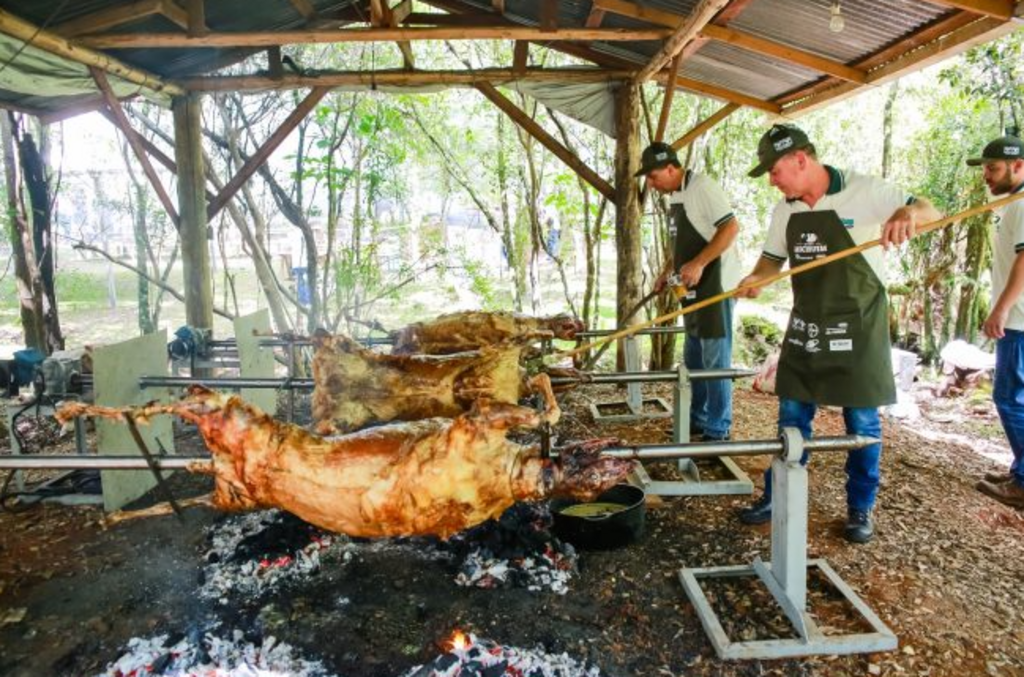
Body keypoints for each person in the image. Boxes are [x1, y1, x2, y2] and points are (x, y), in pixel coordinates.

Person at [735, 124, 941, 543]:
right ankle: (778, 496)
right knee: (792, 418)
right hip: (808, 322)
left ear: (800, 159)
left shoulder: (865, 191)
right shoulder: (785, 211)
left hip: (859, 325)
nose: (772, 181)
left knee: (862, 421)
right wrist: (756, 279)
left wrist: (907, 214)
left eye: (774, 171)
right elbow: (772, 261)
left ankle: (860, 508)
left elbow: (929, 210)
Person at [635, 141, 741, 442]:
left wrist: (699, 263)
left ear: (671, 168)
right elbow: (680, 242)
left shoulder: (703, 187)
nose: (651, 184)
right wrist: (667, 270)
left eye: (654, 177)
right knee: (694, 357)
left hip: (716, 286)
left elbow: (731, 228)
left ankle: (717, 429)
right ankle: (698, 418)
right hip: (692, 289)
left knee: (715, 361)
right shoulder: (676, 195)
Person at [970, 134, 1024, 509]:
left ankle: (1023, 482)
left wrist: (1001, 309)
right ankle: (1020, 468)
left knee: (1010, 397)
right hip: (1017, 317)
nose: (986, 175)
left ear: (1018, 166)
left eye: (993, 168)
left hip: (1020, 319)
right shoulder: (1012, 202)